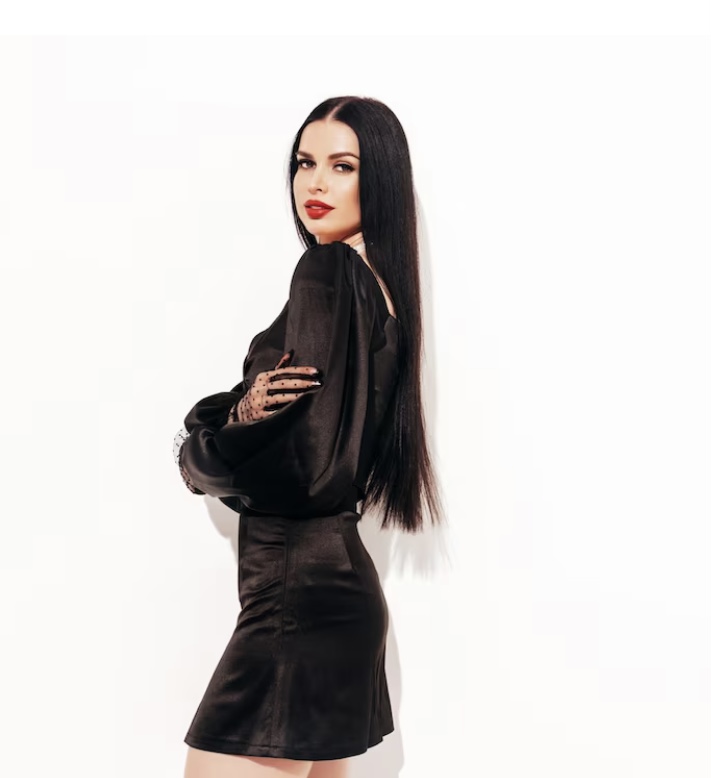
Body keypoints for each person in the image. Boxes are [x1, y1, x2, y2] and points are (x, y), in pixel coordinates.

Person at [175, 95, 444, 778]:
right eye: (304, 163)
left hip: (294, 602)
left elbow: (306, 472)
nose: (315, 183)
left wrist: (202, 446)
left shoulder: (327, 271)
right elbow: (323, 454)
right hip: (334, 595)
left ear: (379, 178)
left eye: (342, 165)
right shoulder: (383, 290)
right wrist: (234, 417)